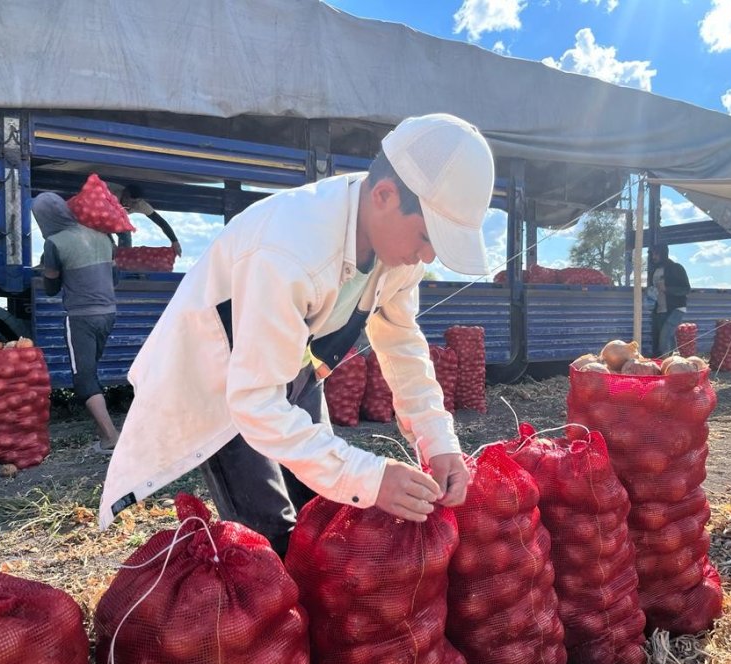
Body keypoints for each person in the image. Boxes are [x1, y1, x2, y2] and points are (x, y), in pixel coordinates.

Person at [97, 113, 494, 556]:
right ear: (384, 195)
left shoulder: (396, 254)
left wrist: (438, 442)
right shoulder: (287, 248)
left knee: (322, 507)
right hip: (224, 379)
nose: (428, 255)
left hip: (295, 362)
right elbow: (254, 400)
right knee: (268, 526)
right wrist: (370, 477)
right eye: (426, 236)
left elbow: (401, 342)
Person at [32, 192, 121, 451]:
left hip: (81, 317)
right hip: (109, 314)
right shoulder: (102, 235)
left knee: (82, 378)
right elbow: (114, 278)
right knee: (90, 372)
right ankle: (105, 432)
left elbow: (51, 287)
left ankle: (110, 437)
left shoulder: (54, 243)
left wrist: (47, 270)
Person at [106, 182, 183, 257]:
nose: (130, 205)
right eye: (128, 201)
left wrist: (174, 241)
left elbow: (160, 222)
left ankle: (123, 258)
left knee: (126, 231)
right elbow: (100, 218)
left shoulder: (140, 205)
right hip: (101, 206)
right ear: (124, 195)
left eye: (134, 202)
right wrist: (111, 242)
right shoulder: (111, 193)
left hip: (114, 215)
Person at [647, 242, 691, 356]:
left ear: (664, 253)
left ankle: (665, 365)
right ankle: (672, 362)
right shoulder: (654, 271)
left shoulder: (676, 268)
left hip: (676, 308)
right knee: (661, 338)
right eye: (652, 254)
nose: (654, 257)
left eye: (656, 254)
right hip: (660, 309)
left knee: (664, 337)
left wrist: (667, 288)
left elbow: (686, 289)